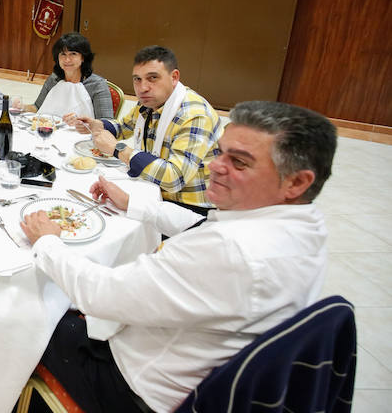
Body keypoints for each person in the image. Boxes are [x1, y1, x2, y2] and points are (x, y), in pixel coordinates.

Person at [21, 100, 337, 412]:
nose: (214, 166)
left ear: (297, 182)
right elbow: (201, 223)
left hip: (132, 389)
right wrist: (134, 204)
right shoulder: (301, 227)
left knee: (27, 313)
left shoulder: (230, 251)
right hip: (196, 365)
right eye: (219, 152)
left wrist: (48, 242)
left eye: (239, 162)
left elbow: (101, 294)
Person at [70, 45, 221, 213]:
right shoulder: (149, 102)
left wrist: (118, 149)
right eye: (137, 79)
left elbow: (174, 178)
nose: (142, 88)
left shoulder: (195, 115)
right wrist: (98, 125)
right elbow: (125, 127)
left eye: (153, 78)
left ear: (174, 77)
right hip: (152, 189)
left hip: (188, 208)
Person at [27, 32, 113, 119]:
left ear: (83, 57)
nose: (67, 60)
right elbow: (37, 107)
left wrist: (83, 122)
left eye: (73, 54)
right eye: (63, 54)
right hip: (50, 129)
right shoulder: (54, 79)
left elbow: (106, 122)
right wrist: (20, 107)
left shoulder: (97, 84)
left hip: (82, 131)